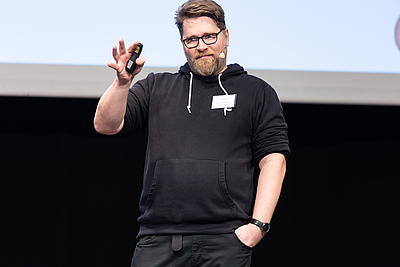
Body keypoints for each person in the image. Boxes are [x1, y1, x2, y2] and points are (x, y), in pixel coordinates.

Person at [94, 0, 289, 266]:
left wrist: (258, 226)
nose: (202, 46)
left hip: (226, 240)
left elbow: (273, 159)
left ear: (226, 36)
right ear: (183, 44)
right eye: (192, 40)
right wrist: (122, 83)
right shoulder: (157, 87)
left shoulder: (256, 92)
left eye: (209, 36)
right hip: (158, 239)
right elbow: (106, 125)